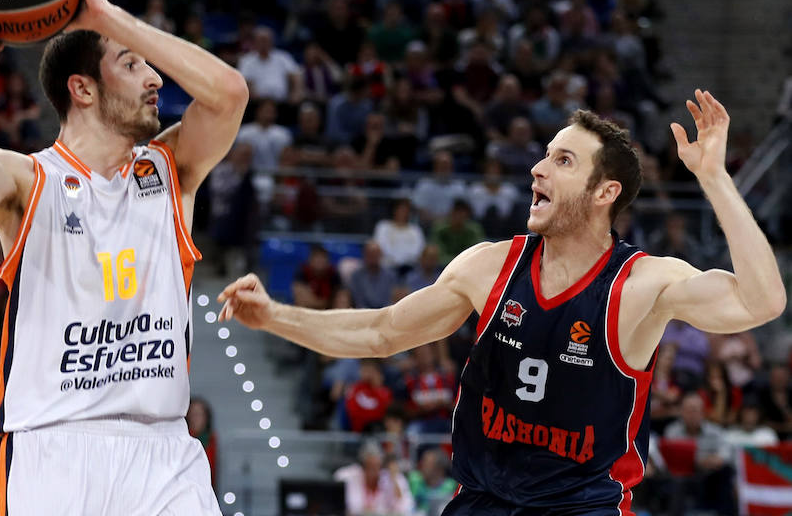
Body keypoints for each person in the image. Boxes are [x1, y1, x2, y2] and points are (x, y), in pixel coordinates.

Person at [219, 92, 786, 514]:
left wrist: (714, 177)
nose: (537, 169)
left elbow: (761, 301)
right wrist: (273, 316)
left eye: (564, 161)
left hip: (580, 508)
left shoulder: (640, 284)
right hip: (483, 502)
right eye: (544, 156)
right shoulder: (489, 265)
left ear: (604, 194)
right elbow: (380, 333)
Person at [0, 0, 248, 514]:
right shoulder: (28, 179)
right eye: (132, 65)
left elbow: (229, 94)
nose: (155, 77)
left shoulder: (168, 170)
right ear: (82, 89)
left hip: (165, 448)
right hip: (56, 445)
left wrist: (106, 18)